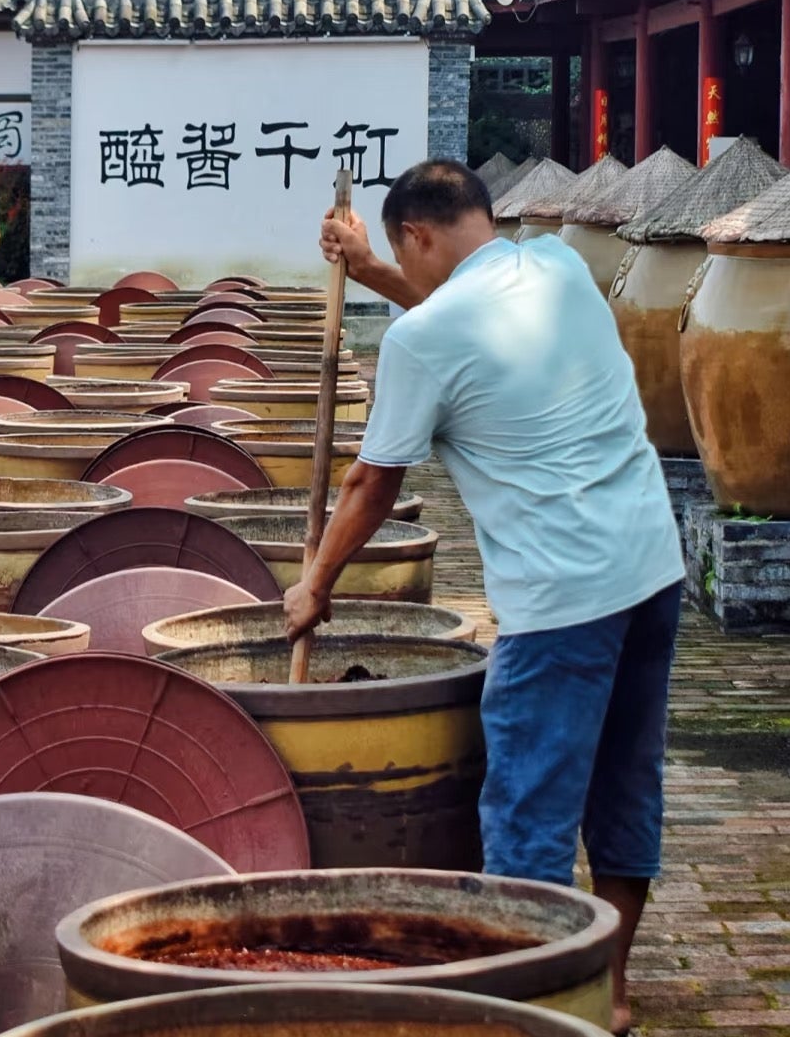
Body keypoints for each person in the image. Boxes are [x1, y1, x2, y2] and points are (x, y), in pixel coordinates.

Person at [284, 159, 684, 1036]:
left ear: (418, 235)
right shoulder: (557, 266)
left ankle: (534, 1010)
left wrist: (314, 583)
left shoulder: (420, 342)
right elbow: (457, 317)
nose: (406, 270)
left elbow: (371, 482)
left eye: (402, 256)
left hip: (561, 600)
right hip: (652, 567)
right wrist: (371, 268)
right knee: (625, 785)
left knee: (530, 810)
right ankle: (608, 993)